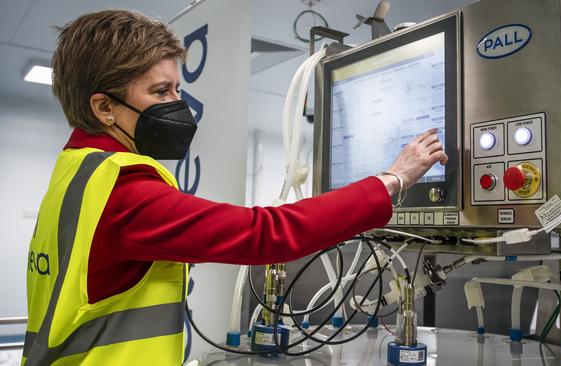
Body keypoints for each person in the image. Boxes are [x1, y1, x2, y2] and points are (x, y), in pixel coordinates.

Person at [23, 9, 447, 366]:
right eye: (160, 91)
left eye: (177, 88)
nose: (177, 103)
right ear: (105, 108)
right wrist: (392, 179)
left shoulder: (76, 172)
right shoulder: (121, 190)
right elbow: (264, 234)